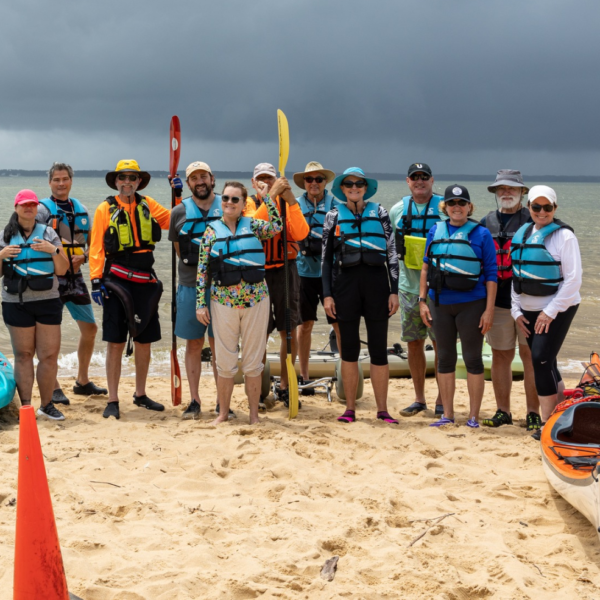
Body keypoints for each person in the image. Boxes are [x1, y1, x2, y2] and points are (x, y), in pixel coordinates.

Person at [89, 160, 171, 420]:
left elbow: (174, 220)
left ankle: (141, 394)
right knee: (115, 342)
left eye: (132, 178)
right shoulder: (105, 208)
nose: (127, 182)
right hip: (116, 281)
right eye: (122, 177)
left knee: (144, 341)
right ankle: (113, 399)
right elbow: (96, 247)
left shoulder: (148, 204)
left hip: (145, 282)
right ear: (116, 181)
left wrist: (178, 193)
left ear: (139, 181)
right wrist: (95, 280)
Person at [196, 181, 282, 425]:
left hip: (256, 301)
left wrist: (267, 198)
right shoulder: (211, 231)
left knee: (253, 361)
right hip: (223, 302)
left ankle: (254, 416)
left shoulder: (253, 225)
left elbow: (277, 226)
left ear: (244, 204)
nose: (229, 202)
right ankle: (223, 413)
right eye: (225, 198)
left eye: (235, 199)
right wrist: (200, 303)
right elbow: (202, 270)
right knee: (225, 361)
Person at [322, 167, 400, 424]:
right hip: (345, 286)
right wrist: (327, 295)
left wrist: (394, 291)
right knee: (349, 350)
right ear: (342, 189)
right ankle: (350, 409)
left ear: (366, 188)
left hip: (377, 285)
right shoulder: (333, 216)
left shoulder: (381, 213)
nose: (354, 187)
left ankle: (382, 410)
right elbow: (325, 260)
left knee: (379, 349)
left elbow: (391, 253)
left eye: (359, 184)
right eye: (349, 184)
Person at [419, 185, 497, 428]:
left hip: (472, 304)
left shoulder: (482, 234)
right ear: (445, 207)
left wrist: (489, 310)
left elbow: (491, 275)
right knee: (444, 358)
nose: (457, 207)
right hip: (440, 303)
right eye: (452, 203)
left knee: (473, 359)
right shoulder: (435, 230)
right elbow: (425, 267)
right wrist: (422, 301)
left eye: (461, 203)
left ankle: (473, 416)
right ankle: (448, 414)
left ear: (469, 207)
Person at [510, 186, 581, 441]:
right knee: (547, 362)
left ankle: (548, 424)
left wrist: (549, 312)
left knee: (540, 359)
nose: (542, 212)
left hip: (559, 307)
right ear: (528, 207)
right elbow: (516, 275)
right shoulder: (523, 234)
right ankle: (562, 416)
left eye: (547, 207)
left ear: (555, 208)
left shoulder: (564, 237)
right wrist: (515, 310)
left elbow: (574, 280)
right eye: (536, 207)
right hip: (527, 309)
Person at [36, 162, 107, 406]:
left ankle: (82, 381)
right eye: (56, 179)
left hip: (75, 279)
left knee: (90, 329)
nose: (61, 183)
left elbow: (92, 244)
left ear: (71, 181)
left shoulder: (81, 209)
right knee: (50, 334)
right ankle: (54, 385)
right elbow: (33, 242)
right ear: (50, 182)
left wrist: (84, 258)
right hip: (50, 279)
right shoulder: (41, 210)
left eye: (65, 179)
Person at [0, 190, 70, 420]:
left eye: (32, 204)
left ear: (36, 207)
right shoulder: (5, 236)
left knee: (48, 356)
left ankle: (47, 405)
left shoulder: (49, 233)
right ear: (16, 207)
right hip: (16, 302)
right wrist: (1, 255)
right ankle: (27, 407)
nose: (28, 208)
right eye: (24, 204)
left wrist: (54, 250)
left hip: (47, 301)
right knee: (23, 355)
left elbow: (62, 269)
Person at [168, 161, 229, 419]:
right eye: (194, 178)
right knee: (194, 344)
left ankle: (221, 401)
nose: (200, 181)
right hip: (190, 285)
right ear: (188, 183)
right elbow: (179, 251)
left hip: (223, 287)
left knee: (220, 346)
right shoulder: (178, 212)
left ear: (212, 179)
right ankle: (194, 400)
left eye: (203, 176)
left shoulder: (227, 205)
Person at [480, 170, 539, 430]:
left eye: (512, 188)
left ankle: (533, 412)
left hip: (530, 301)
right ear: (495, 192)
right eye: (501, 188)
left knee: (530, 356)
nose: (506, 192)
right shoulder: (486, 222)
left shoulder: (534, 219)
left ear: (522, 193)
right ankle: (503, 410)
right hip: (499, 302)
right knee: (500, 355)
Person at [251, 163, 309, 405]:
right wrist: (270, 197)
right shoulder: (248, 203)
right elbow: (252, 228)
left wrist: (291, 201)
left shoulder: (287, 204)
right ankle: (259, 387)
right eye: (261, 178)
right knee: (260, 332)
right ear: (253, 182)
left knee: (288, 329)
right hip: (257, 273)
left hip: (286, 270)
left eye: (270, 178)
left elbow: (301, 233)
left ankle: (285, 385)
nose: (265, 182)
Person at [389, 163, 443, 417]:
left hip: (440, 290)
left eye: (424, 177)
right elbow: (390, 251)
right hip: (408, 288)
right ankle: (419, 399)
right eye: (415, 177)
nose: (419, 181)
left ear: (432, 180)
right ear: (408, 181)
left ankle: (442, 398)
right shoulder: (397, 210)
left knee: (441, 344)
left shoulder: (444, 208)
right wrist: (391, 288)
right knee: (413, 343)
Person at [293, 161, 341, 387]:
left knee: (339, 324)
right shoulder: (294, 205)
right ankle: (304, 376)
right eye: (309, 179)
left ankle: (345, 372)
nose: (314, 183)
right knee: (305, 325)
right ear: (304, 182)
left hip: (330, 274)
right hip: (303, 273)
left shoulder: (336, 206)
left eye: (319, 179)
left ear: (325, 182)